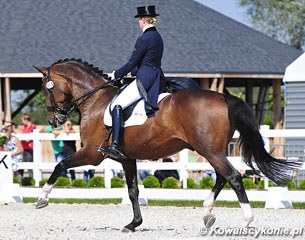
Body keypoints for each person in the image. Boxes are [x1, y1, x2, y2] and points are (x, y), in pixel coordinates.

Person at [98, 5, 164, 160]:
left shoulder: (143, 39)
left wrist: (115, 74)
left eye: (139, 20)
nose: (138, 22)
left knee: (116, 105)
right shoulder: (158, 37)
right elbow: (146, 62)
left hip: (145, 79)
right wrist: (131, 72)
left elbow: (131, 63)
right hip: (155, 75)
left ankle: (115, 145)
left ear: (142, 20)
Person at [20, 112, 36, 178]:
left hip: (30, 150)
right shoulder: (24, 127)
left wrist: (21, 136)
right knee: (21, 167)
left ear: (26, 120)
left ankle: (32, 181)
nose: (22, 122)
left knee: (30, 168)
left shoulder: (33, 127)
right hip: (23, 149)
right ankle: (20, 182)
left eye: (23, 121)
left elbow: (28, 139)